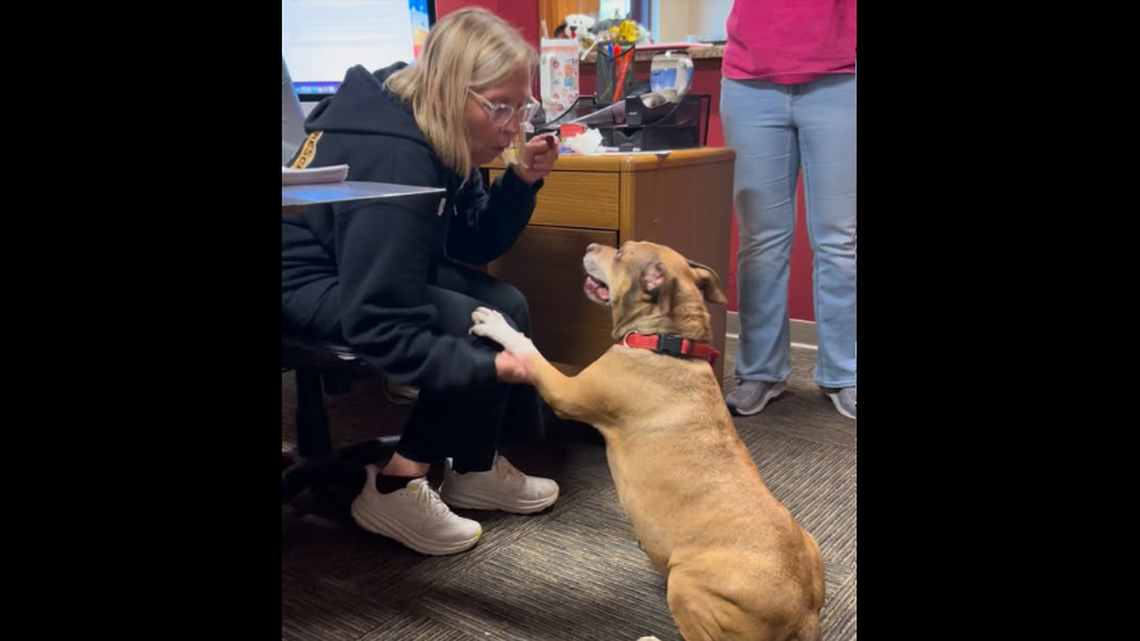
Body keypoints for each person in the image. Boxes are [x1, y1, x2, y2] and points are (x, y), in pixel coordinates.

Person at [282, 8, 561, 555]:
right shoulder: (396, 155)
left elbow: (473, 243)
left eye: (520, 106)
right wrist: (493, 364)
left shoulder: (443, 127)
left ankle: (474, 468)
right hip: (303, 276)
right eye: (499, 107)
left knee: (506, 304)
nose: (513, 125)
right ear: (446, 92)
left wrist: (521, 180)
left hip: (356, 260)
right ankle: (394, 484)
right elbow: (381, 321)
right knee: (471, 329)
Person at [719, 0, 857, 420]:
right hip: (749, 79)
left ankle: (844, 372)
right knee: (760, 240)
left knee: (839, 239)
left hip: (841, 76)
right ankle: (761, 372)